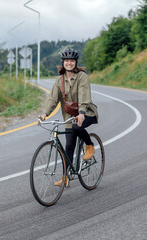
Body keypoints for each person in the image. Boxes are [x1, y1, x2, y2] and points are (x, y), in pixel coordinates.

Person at [39, 48, 99, 187]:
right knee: (69, 147)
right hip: (69, 116)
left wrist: (82, 112)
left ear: (75, 62)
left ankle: (89, 145)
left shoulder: (82, 76)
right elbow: (53, 99)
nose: (69, 63)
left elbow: (84, 95)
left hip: (87, 112)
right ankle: (65, 177)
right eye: (67, 61)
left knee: (76, 126)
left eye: (72, 61)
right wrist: (45, 113)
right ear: (63, 63)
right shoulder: (59, 80)